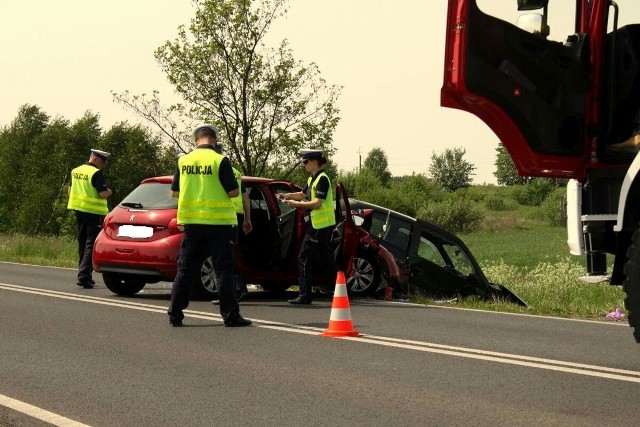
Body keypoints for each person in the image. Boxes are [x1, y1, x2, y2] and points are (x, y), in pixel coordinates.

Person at [167, 124, 251, 327]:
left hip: (192, 223)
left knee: (185, 270)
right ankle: (230, 316)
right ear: (214, 140)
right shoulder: (220, 160)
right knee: (223, 270)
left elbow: (174, 193)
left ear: (196, 141)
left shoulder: (183, 161)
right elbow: (233, 192)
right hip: (219, 223)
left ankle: (175, 314)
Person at [276, 149, 337, 305]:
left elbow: (317, 203)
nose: (303, 165)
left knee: (304, 257)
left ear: (314, 162)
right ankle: (339, 288)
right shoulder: (312, 179)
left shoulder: (322, 179)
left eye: (305, 162)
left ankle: (305, 295)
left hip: (319, 226)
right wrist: (287, 196)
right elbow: (303, 194)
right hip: (317, 224)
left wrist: (296, 205)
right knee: (326, 259)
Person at [211, 143, 252, 305]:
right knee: (229, 254)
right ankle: (236, 289)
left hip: (224, 217)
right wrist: (248, 219)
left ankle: (236, 289)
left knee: (225, 257)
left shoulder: (216, 171)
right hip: (237, 217)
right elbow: (245, 197)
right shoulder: (235, 172)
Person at [67, 149, 112, 289]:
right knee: (91, 243)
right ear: (97, 159)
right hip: (94, 212)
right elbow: (103, 194)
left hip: (78, 210)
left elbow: (70, 190)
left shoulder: (76, 170)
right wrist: (110, 191)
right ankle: (84, 276)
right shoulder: (96, 173)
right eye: (103, 162)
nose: (103, 165)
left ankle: (83, 273)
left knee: (82, 242)